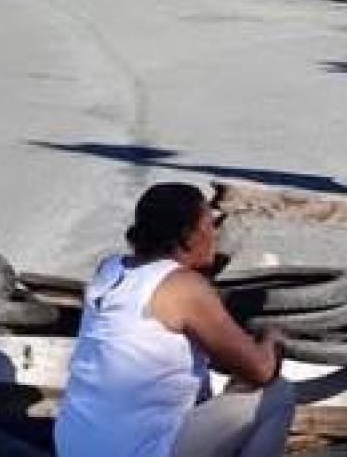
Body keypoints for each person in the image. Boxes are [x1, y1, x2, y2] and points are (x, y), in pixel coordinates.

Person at [55, 183, 294, 457]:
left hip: (73, 446)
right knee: (277, 394)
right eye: (209, 225)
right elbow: (261, 369)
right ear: (189, 237)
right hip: (134, 451)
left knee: (231, 389)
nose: (215, 234)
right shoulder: (184, 287)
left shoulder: (109, 268)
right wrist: (272, 336)